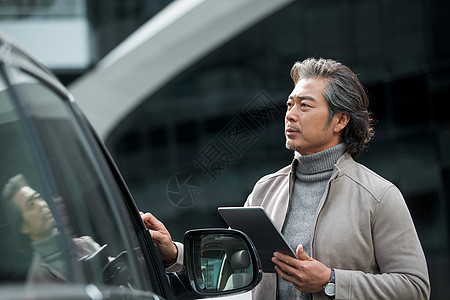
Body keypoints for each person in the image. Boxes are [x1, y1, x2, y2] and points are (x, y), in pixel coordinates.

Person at [142, 58, 430, 299]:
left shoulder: (378, 196)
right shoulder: (265, 190)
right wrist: (173, 253)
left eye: (305, 106)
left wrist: (330, 281)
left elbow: (415, 287)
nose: (290, 115)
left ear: (340, 120)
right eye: (290, 104)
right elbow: (232, 262)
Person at [1, 174, 101, 283]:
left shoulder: (86, 245)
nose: (41, 205)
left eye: (38, 197)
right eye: (31, 205)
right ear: (23, 227)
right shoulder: (36, 284)